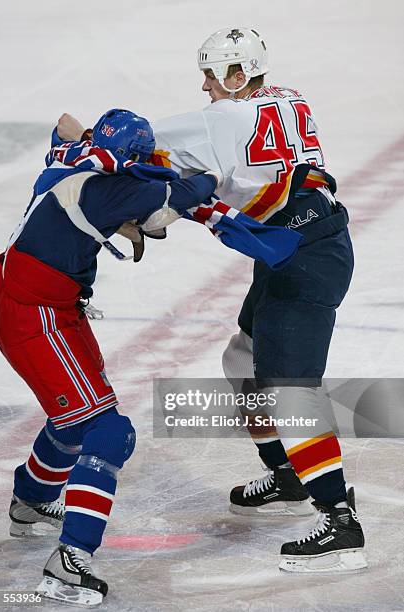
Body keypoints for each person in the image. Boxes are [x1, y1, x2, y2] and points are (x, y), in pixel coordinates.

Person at [56, 28, 366, 573]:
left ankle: (339, 517)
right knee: (242, 358)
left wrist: (87, 145)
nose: (204, 85)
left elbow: (139, 143)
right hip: (299, 243)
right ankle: (289, 472)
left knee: (292, 391)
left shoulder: (221, 118)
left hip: (306, 256)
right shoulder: (290, 98)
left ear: (239, 75)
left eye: (212, 73)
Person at [0, 108, 221, 606]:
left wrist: (99, 149)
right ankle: (69, 562)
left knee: (76, 417)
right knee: (109, 430)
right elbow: (192, 189)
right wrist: (214, 169)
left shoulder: (69, 157)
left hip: (36, 298)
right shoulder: (112, 189)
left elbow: (62, 123)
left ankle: (31, 503)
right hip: (36, 314)